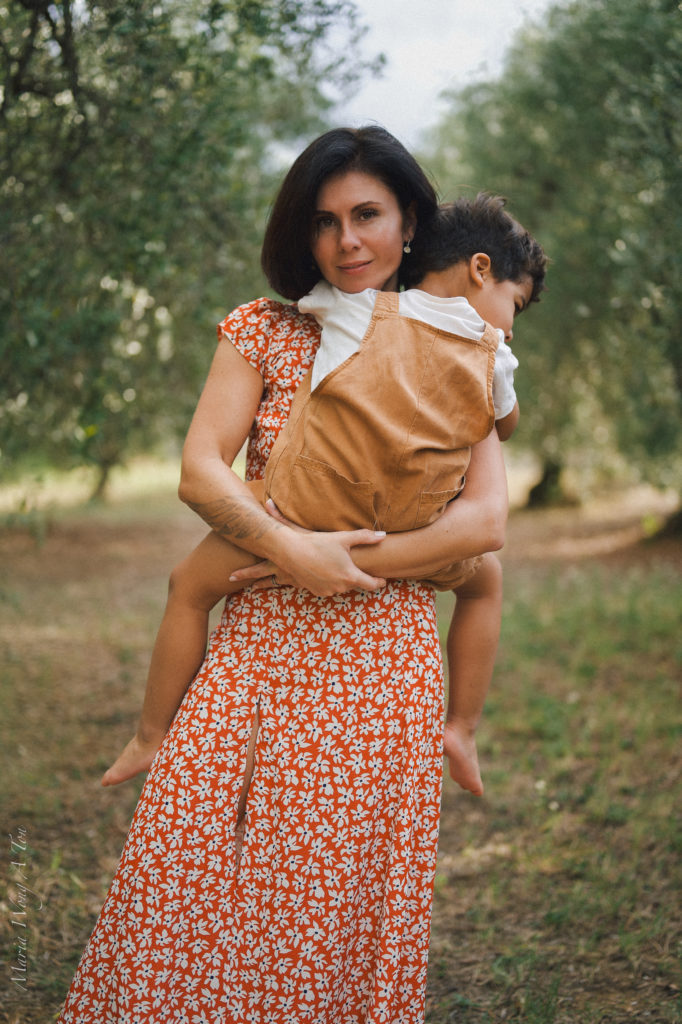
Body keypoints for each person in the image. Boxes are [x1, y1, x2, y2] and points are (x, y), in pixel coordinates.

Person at [58, 126, 512, 1024]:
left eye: (368, 216)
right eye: (324, 221)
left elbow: (486, 521)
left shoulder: (459, 348)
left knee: (328, 917)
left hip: (380, 676)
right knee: (181, 877)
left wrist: (340, 553)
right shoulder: (266, 331)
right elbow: (201, 470)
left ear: (410, 220)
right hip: (255, 664)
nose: (347, 241)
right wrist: (292, 551)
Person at [102, 194, 546, 799]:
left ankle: (152, 734)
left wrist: (298, 551)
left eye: (366, 217)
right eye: (515, 304)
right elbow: (504, 426)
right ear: (480, 268)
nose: (511, 321)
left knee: (189, 586)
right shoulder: (493, 352)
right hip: (414, 517)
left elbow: (303, 304)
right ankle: (463, 727)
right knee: (485, 581)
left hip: (306, 503)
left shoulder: (357, 308)